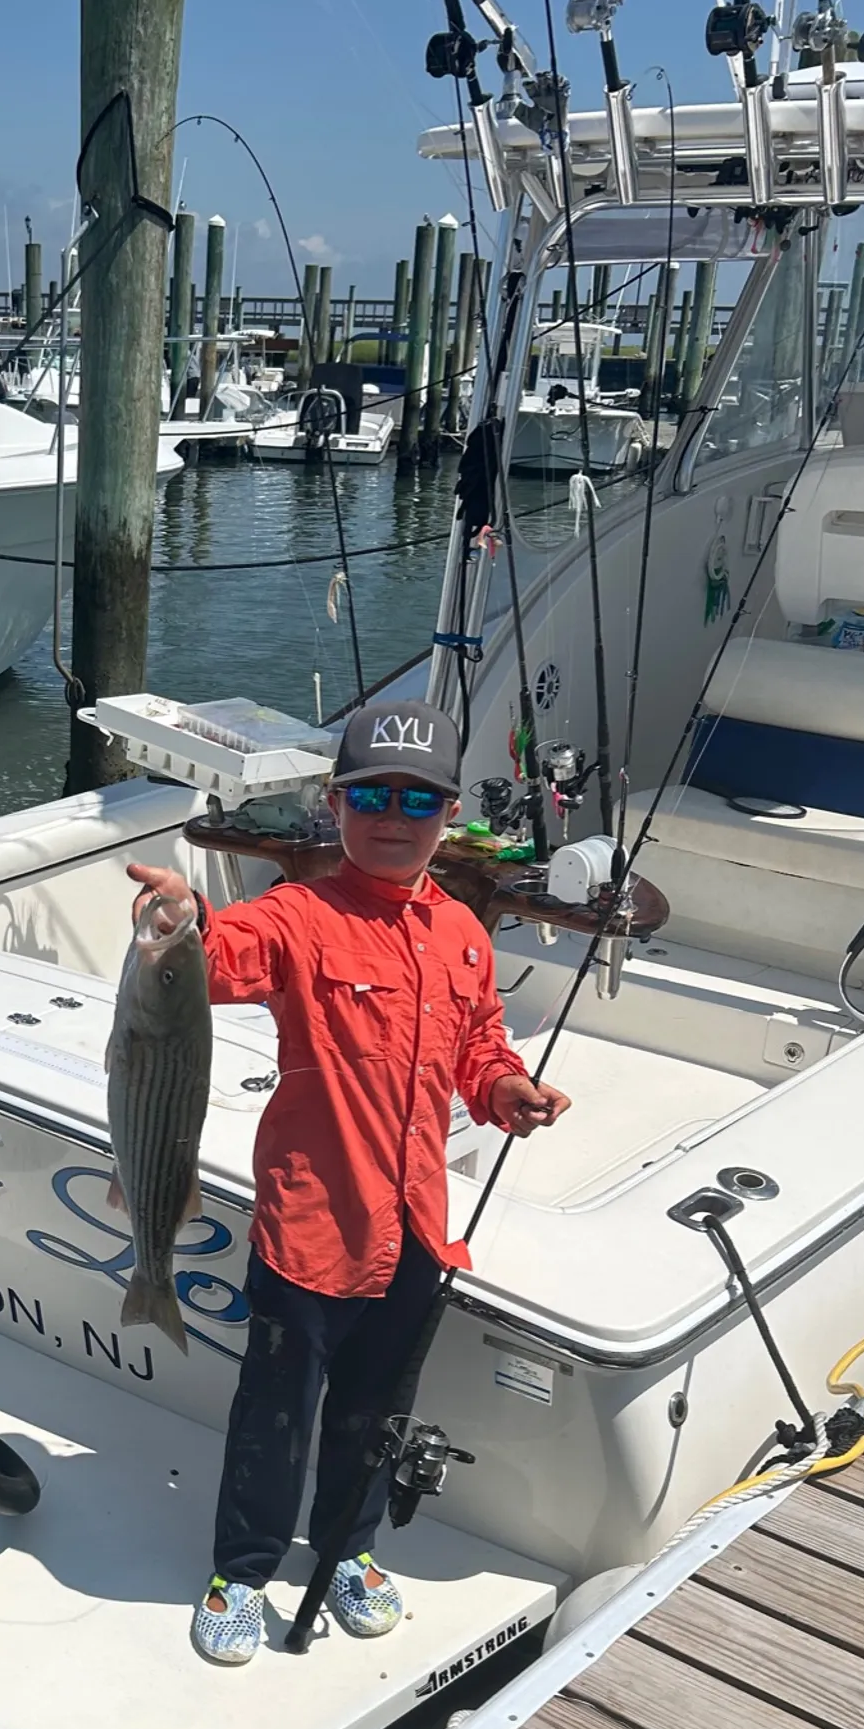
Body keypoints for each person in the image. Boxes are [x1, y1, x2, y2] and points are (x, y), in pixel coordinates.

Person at [127, 698, 570, 1667]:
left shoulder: (463, 934)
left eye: (418, 799)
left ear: (449, 814)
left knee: (374, 1412)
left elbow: (479, 1045)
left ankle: (347, 1549)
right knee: (275, 1412)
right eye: (372, 796)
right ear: (335, 805)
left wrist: (506, 1090)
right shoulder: (300, 915)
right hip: (313, 1229)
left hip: (417, 1230)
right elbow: (221, 956)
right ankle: (242, 1569)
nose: (393, 817)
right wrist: (180, 919)